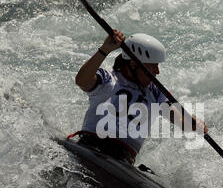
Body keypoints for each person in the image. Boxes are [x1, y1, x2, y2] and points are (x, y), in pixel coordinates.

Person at [73, 29, 208, 164]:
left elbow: (177, 116)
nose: (157, 71)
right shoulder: (109, 80)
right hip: (90, 145)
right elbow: (81, 81)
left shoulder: (156, 92)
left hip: (123, 159)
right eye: (153, 66)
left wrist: (193, 124)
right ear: (133, 64)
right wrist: (104, 50)